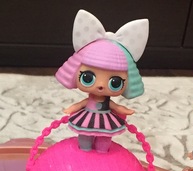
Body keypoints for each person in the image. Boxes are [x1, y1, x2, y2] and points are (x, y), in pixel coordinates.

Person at [55, 9, 148, 152]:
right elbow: (82, 104)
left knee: (105, 138)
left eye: (115, 82)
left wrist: (123, 109)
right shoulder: (90, 99)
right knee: (84, 135)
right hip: (87, 117)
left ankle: (102, 151)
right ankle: (84, 149)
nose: (100, 85)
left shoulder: (107, 101)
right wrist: (71, 108)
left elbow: (115, 107)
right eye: (88, 78)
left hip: (106, 119)